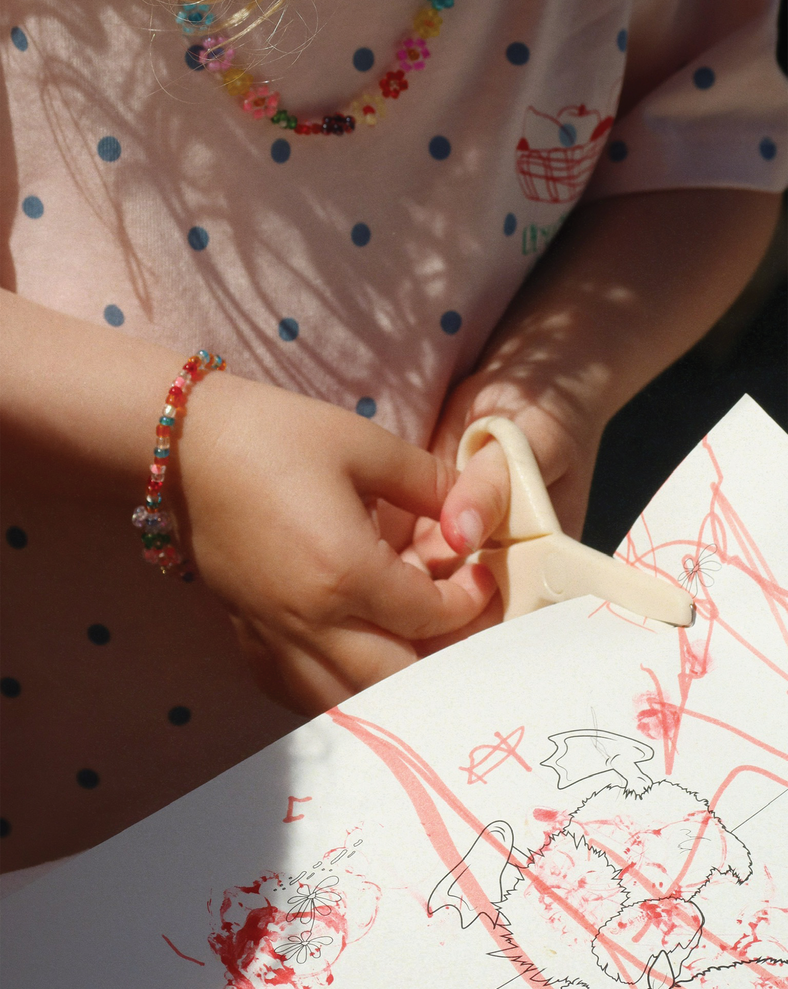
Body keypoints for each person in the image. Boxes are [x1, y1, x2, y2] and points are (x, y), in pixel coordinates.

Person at [1, 0, 786, 874]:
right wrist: (183, 443)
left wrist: (552, 392)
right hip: (59, 738)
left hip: (418, 778)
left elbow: (711, 139)